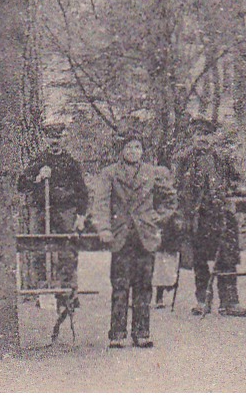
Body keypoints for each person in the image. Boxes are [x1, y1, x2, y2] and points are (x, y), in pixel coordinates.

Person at [92, 136, 177, 349]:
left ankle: (142, 333)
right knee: (120, 285)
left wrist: (157, 218)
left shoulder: (152, 173)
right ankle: (117, 334)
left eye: (137, 147)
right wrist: (103, 228)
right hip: (121, 235)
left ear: (142, 150)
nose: (133, 151)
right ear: (121, 150)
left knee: (144, 285)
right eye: (129, 147)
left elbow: (171, 199)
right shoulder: (109, 173)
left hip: (145, 236)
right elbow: (100, 203)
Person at [173, 117, 246, 317]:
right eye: (199, 134)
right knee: (199, 259)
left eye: (207, 135)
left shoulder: (221, 158)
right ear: (192, 136)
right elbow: (177, 189)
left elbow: (234, 181)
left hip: (221, 214)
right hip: (197, 216)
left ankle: (229, 302)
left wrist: (238, 190)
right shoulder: (184, 159)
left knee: (228, 256)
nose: (203, 139)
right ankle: (202, 300)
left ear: (212, 137)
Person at [16, 121, 89, 302]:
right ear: (45, 138)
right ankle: (41, 291)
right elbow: (21, 185)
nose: (54, 141)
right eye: (51, 137)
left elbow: (82, 191)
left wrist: (80, 215)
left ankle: (68, 292)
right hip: (41, 211)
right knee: (38, 249)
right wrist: (38, 177)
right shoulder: (38, 160)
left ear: (63, 139)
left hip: (65, 211)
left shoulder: (71, 163)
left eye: (57, 137)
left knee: (67, 251)